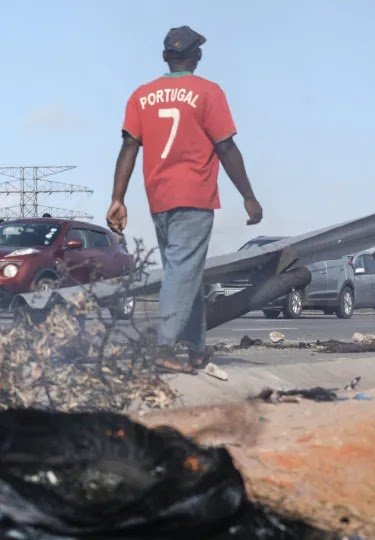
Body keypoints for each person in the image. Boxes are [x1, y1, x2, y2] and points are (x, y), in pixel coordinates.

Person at [107, 26, 262, 373]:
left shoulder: (141, 96)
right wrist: (248, 196)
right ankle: (161, 347)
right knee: (182, 272)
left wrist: (117, 198)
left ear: (166, 56)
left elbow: (129, 146)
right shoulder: (208, 93)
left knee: (185, 272)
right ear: (197, 56)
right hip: (194, 196)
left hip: (158, 197)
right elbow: (225, 146)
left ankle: (195, 347)